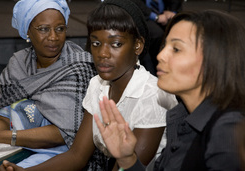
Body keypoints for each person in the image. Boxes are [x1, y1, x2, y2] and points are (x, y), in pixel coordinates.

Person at [0, 0, 177, 170]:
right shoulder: (98, 85)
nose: (103, 53)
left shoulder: (152, 96)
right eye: (96, 43)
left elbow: (129, 166)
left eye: (116, 44)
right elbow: (77, 156)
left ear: (137, 45)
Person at [93, 9, 245, 170]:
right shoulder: (181, 116)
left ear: (214, 61)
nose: (161, 55)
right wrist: (127, 158)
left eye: (176, 49)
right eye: (165, 45)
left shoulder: (228, 130)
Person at [0, 0, 97, 168]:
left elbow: (63, 133)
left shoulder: (78, 67)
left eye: (60, 29)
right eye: (43, 29)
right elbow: (4, 115)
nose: (53, 37)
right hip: (20, 147)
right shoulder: (18, 63)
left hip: (63, 155)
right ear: (27, 32)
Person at [130, 0, 183, 76]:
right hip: (143, 16)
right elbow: (136, 5)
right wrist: (156, 17)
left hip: (164, 12)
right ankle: (156, 70)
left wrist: (173, 12)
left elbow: (175, 3)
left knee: (180, 30)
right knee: (157, 34)